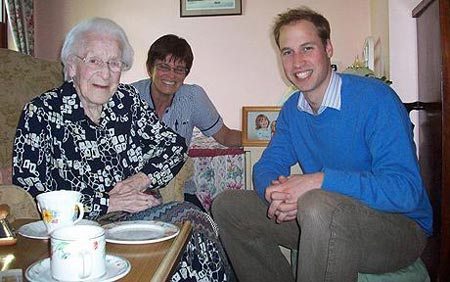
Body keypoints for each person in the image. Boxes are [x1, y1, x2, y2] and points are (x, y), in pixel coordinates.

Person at [212, 6, 432, 282]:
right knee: (228, 206)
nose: (297, 62)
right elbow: (269, 164)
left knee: (316, 203)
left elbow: (405, 191)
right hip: (325, 217)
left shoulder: (376, 100)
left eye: (307, 48)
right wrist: (276, 194)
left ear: (328, 48)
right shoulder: (293, 109)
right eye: (287, 52)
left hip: (397, 228)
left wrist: (319, 181)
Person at [13, 17, 231, 282]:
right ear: (71, 65)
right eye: (93, 61)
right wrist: (107, 202)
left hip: (135, 215)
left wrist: (142, 178)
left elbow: (173, 145)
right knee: (188, 219)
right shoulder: (41, 113)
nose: (105, 73)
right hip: (78, 229)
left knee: (188, 235)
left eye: (114, 63)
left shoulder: (125, 102)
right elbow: (31, 186)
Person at [132, 34, 242, 207]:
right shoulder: (129, 97)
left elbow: (225, 136)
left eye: (179, 69)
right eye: (163, 67)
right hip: (134, 189)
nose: (171, 75)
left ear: (185, 74)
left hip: (180, 189)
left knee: (205, 229)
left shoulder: (193, 97)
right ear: (149, 67)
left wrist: (263, 136)